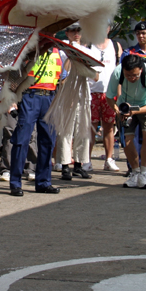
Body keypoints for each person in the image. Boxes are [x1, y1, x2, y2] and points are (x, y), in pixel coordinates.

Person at [8, 46, 61, 196]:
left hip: (50, 97)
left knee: (48, 141)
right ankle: (15, 183)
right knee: (22, 140)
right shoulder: (31, 46)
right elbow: (15, 71)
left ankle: (44, 182)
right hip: (30, 95)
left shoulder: (57, 51)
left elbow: (61, 77)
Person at [107, 54, 146, 188]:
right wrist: (118, 110)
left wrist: (134, 111)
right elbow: (109, 96)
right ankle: (135, 172)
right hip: (125, 106)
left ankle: (144, 172)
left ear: (140, 69)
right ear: (123, 70)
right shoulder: (118, 72)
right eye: (128, 75)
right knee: (127, 139)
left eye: (135, 75)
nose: (131, 78)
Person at [56, 22, 93, 180]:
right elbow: (63, 72)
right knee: (65, 131)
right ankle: (65, 165)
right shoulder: (62, 50)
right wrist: (72, 53)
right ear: (67, 33)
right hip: (67, 93)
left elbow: (94, 74)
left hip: (83, 92)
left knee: (82, 130)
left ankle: (79, 164)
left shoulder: (87, 51)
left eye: (78, 30)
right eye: (72, 30)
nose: (76, 33)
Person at [87, 26, 121, 171]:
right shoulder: (88, 44)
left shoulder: (115, 45)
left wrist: (119, 93)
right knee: (91, 127)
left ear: (109, 28)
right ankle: (86, 160)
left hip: (109, 93)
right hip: (91, 91)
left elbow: (119, 70)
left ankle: (109, 159)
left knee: (109, 127)